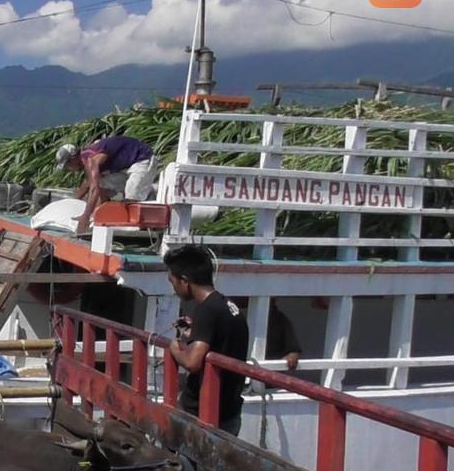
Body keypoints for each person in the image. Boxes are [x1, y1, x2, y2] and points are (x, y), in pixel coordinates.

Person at [164, 244, 249, 436]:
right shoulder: (227, 305)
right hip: (229, 411)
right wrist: (193, 334)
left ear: (184, 281)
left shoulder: (205, 309)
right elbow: (220, 341)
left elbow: (192, 362)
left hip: (204, 413)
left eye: (173, 282)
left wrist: (175, 347)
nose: (174, 288)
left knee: (183, 465)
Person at [56, 135, 158, 233]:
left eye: (67, 166)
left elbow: (93, 189)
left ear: (73, 159)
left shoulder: (91, 160)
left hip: (143, 158)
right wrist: (70, 203)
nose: (69, 170)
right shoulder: (87, 156)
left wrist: (85, 217)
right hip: (126, 167)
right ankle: (99, 214)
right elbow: (87, 185)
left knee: (131, 195)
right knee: (101, 183)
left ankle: (135, 229)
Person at [266, 298, 302, 371]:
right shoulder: (238, 316)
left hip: (271, 372)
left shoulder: (280, 319)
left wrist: (291, 357)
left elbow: (293, 350)